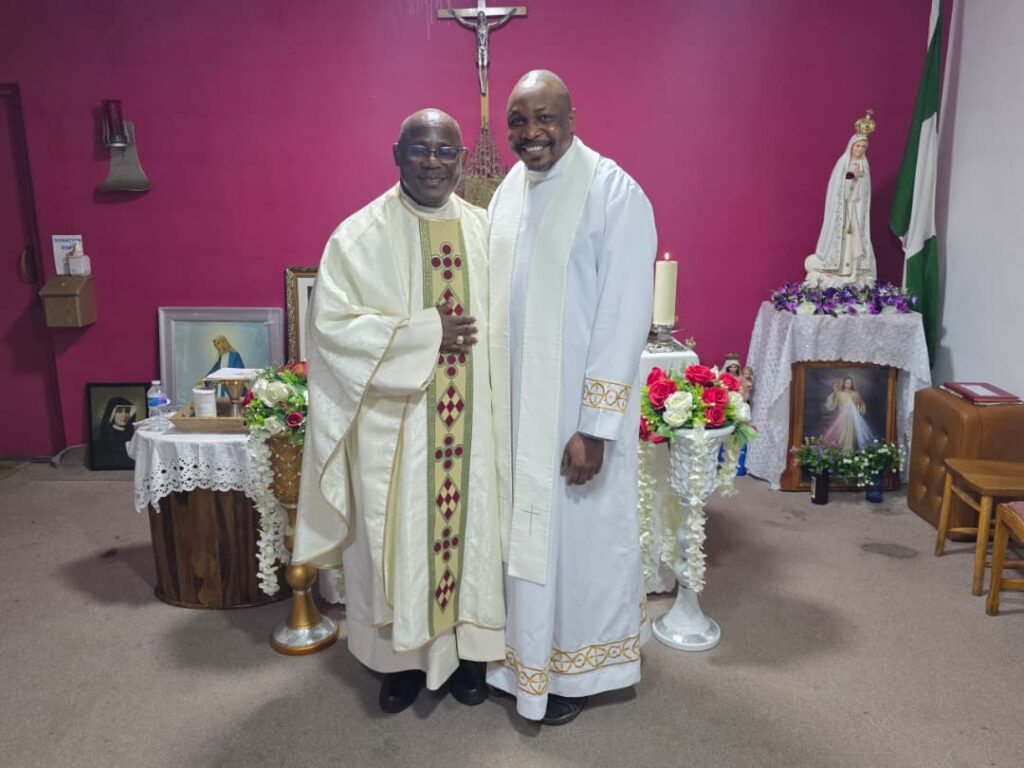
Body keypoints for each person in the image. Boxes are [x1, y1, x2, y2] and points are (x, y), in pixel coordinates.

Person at [290, 109, 505, 714]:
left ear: (462, 159)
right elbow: (332, 329)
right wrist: (425, 333)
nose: (434, 163)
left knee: (472, 536)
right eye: (420, 149)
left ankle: (468, 654)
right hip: (398, 427)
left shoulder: (487, 232)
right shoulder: (358, 236)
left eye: (446, 151)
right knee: (398, 541)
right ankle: (398, 663)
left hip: (472, 427)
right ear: (396, 154)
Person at [486, 70, 657, 725]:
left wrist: (596, 427)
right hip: (514, 416)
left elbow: (623, 317)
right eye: (518, 121)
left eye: (545, 118)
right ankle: (517, 662)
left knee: (575, 544)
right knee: (519, 539)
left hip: (571, 422)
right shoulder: (508, 192)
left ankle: (571, 672)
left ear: (572, 118)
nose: (531, 133)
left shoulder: (614, 192)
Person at [804, 128, 876, 288]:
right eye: (858, 146)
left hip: (855, 209)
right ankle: (836, 269)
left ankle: (852, 271)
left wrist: (859, 182)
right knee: (841, 238)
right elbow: (838, 187)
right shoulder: (843, 163)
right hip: (842, 209)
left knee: (855, 239)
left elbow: (865, 191)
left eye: (864, 147)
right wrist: (852, 176)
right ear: (851, 146)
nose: (860, 149)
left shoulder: (864, 165)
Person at [821, 375, 875, 451]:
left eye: (850, 382)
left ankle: (851, 450)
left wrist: (858, 405)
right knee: (841, 433)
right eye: (846, 382)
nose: (848, 384)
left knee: (852, 433)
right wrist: (835, 391)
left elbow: (860, 405)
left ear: (852, 384)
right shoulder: (839, 393)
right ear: (843, 383)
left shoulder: (855, 393)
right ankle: (842, 450)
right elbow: (833, 404)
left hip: (853, 418)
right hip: (842, 418)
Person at [92, 397, 136, 469]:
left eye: (127, 411)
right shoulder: (97, 445)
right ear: (111, 412)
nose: (124, 415)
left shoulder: (133, 440)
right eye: (120, 411)